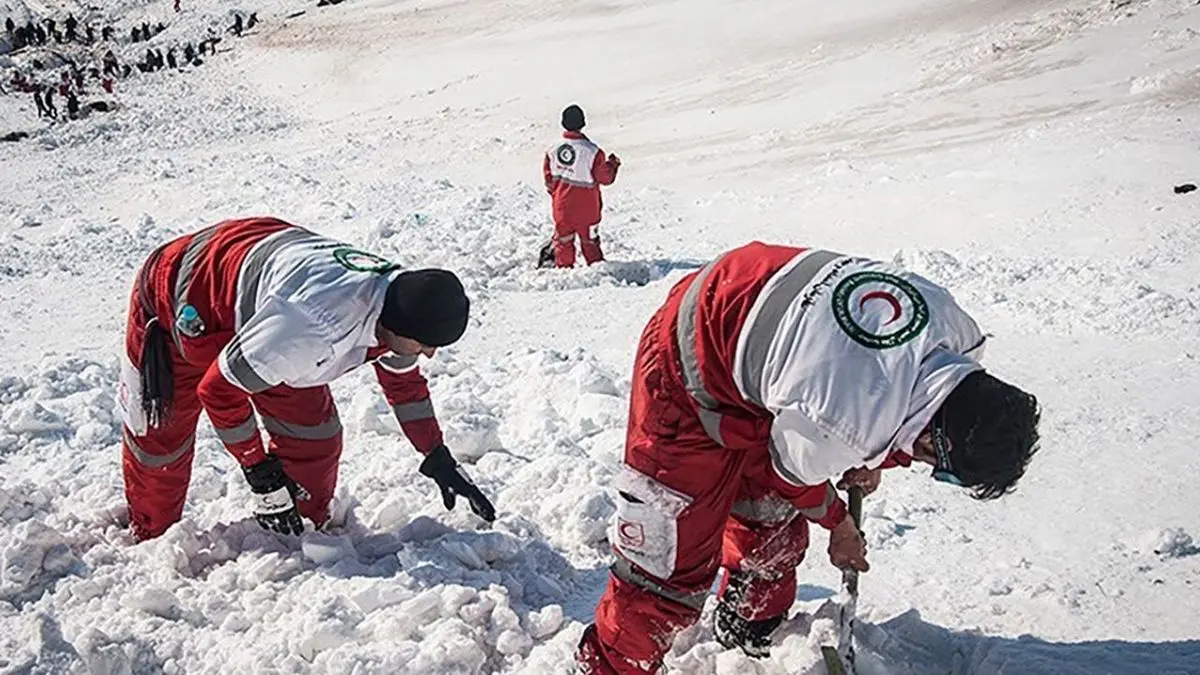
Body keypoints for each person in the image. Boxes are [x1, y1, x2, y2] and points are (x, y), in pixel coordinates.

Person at [575, 241, 1040, 674]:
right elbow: (790, 475)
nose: (927, 470)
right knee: (667, 557)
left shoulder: (959, 333)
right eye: (942, 470)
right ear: (939, 442)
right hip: (687, 355)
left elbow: (887, 392)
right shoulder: (848, 418)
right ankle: (612, 665)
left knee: (767, 515)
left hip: (756, 309)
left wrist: (873, 456)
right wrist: (839, 524)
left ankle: (750, 626)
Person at [117, 217, 496, 542]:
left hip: (267, 287)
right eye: (425, 344)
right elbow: (218, 391)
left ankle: (293, 531)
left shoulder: (402, 303)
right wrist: (258, 469)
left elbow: (404, 387)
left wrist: (436, 454)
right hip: (186, 290)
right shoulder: (311, 326)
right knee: (160, 440)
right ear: (395, 326)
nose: (429, 354)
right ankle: (152, 535)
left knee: (315, 437)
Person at [542, 104, 620, 268]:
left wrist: (557, 196)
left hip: (562, 207)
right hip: (588, 210)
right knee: (590, 242)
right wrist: (612, 165)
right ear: (583, 123)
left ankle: (564, 270)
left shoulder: (552, 150)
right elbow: (605, 178)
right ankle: (597, 270)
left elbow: (549, 180)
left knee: (563, 242)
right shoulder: (593, 151)